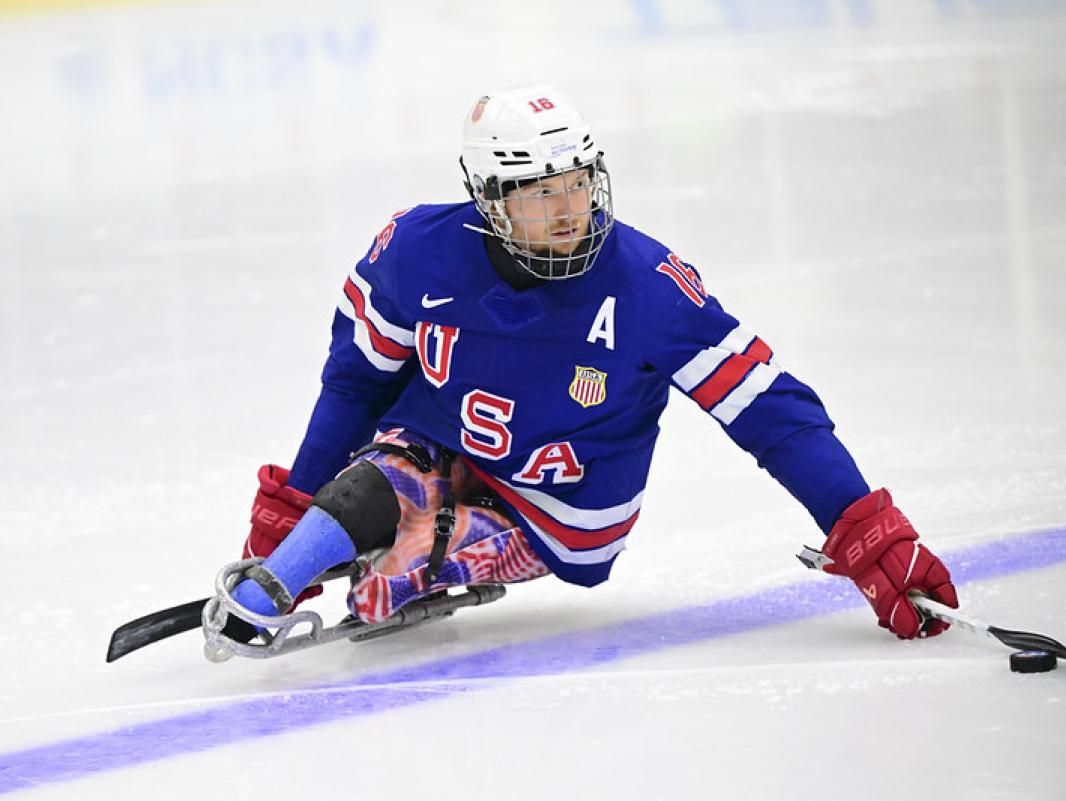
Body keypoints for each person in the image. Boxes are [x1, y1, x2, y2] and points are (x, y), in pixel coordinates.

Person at [223, 83, 959, 644]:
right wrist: (296, 507)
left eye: (578, 181)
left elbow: (772, 411)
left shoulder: (646, 285)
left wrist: (867, 530)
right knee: (368, 484)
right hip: (446, 442)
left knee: (387, 566)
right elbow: (358, 380)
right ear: (492, 201)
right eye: (544, 193)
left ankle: (446, 537)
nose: (571, 207)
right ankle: (280, 578)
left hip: (562, 501)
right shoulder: (415, 252)